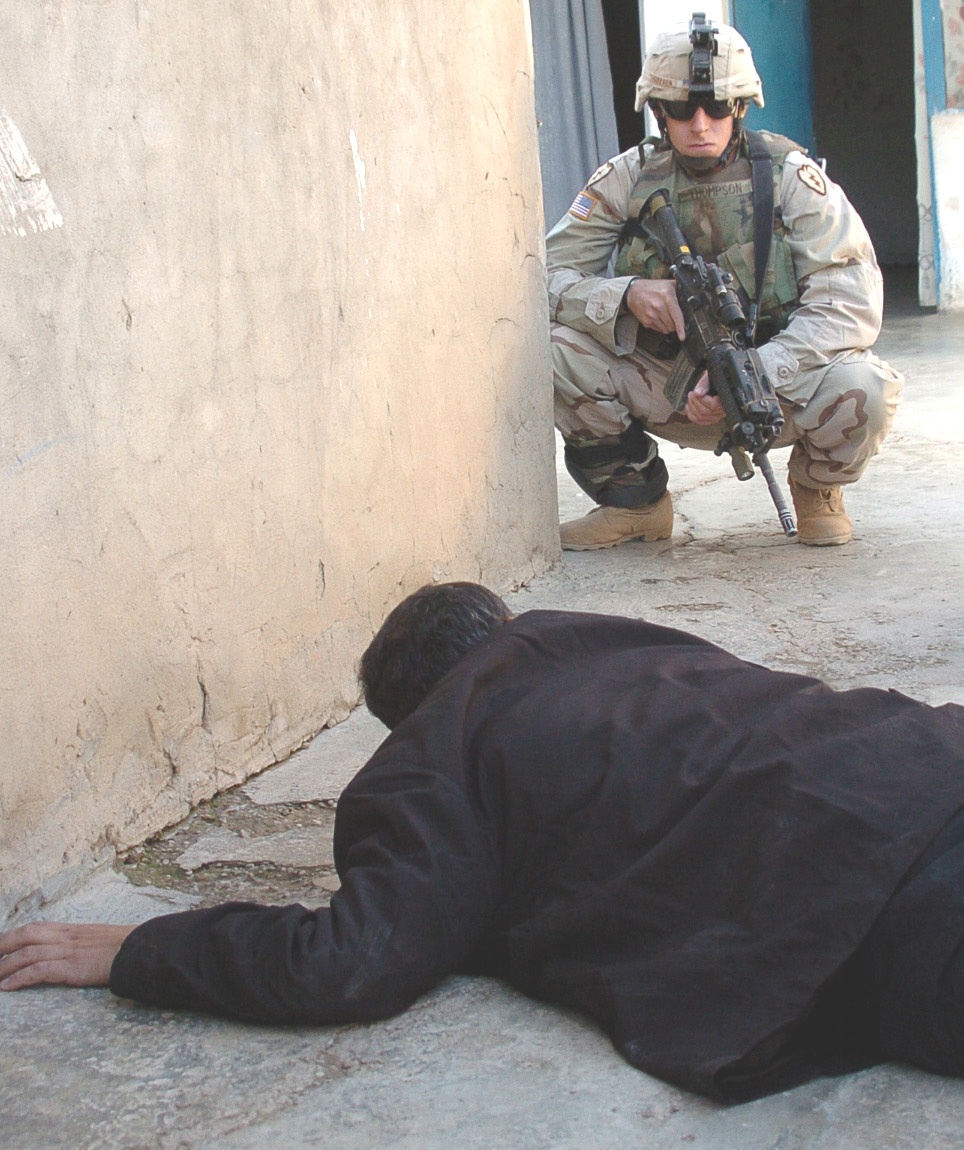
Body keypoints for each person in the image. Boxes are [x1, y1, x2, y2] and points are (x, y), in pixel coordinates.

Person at [3, 581, 964, 1103]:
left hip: (877, 911)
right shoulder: (621, 641)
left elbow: (353, 962)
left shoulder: (433, 757)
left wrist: (140, 947)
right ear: (503, 625)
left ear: (406, 717)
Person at [548, 14, 903, 550]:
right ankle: (636, 506)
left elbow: (851, 299)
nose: (699, 124)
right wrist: (625, 297)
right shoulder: (626, 179)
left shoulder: (789, 177)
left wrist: (756, 370)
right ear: (657, 112)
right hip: (663, 380)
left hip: (774, 385)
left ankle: (816, 490)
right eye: (680, 109)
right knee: (551, 353)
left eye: (716, 107)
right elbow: (543, 275)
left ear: (738, 107)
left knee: (867, 388)